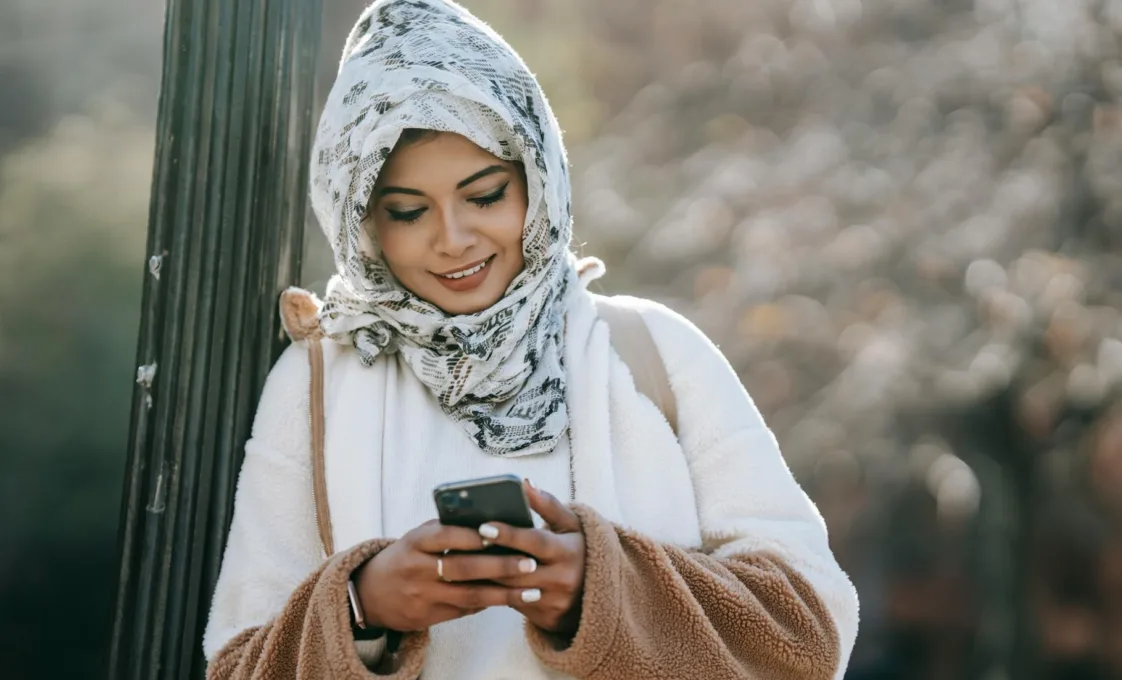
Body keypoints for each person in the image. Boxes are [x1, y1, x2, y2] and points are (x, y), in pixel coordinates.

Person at [202, 1, 859, 678]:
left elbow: (808, 633)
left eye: (484, 195)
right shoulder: (316, 381)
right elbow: (237, 666)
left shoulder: (655, 352)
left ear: (536, 179)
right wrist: (362, 609)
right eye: (407, 211)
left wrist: (598, 593)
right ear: (362, 221)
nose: (453, 238)